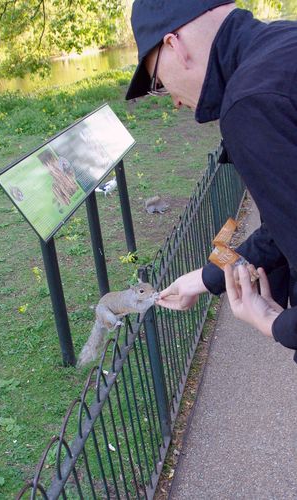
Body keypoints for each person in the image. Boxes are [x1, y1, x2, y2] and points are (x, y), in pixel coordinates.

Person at [125, 0, 297, 362]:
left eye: (157, 81)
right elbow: (285, 226)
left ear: (174, 45)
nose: (171, 99)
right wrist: (204, 279)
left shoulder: (251, 104)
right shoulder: (283, 44)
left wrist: (273, 322)